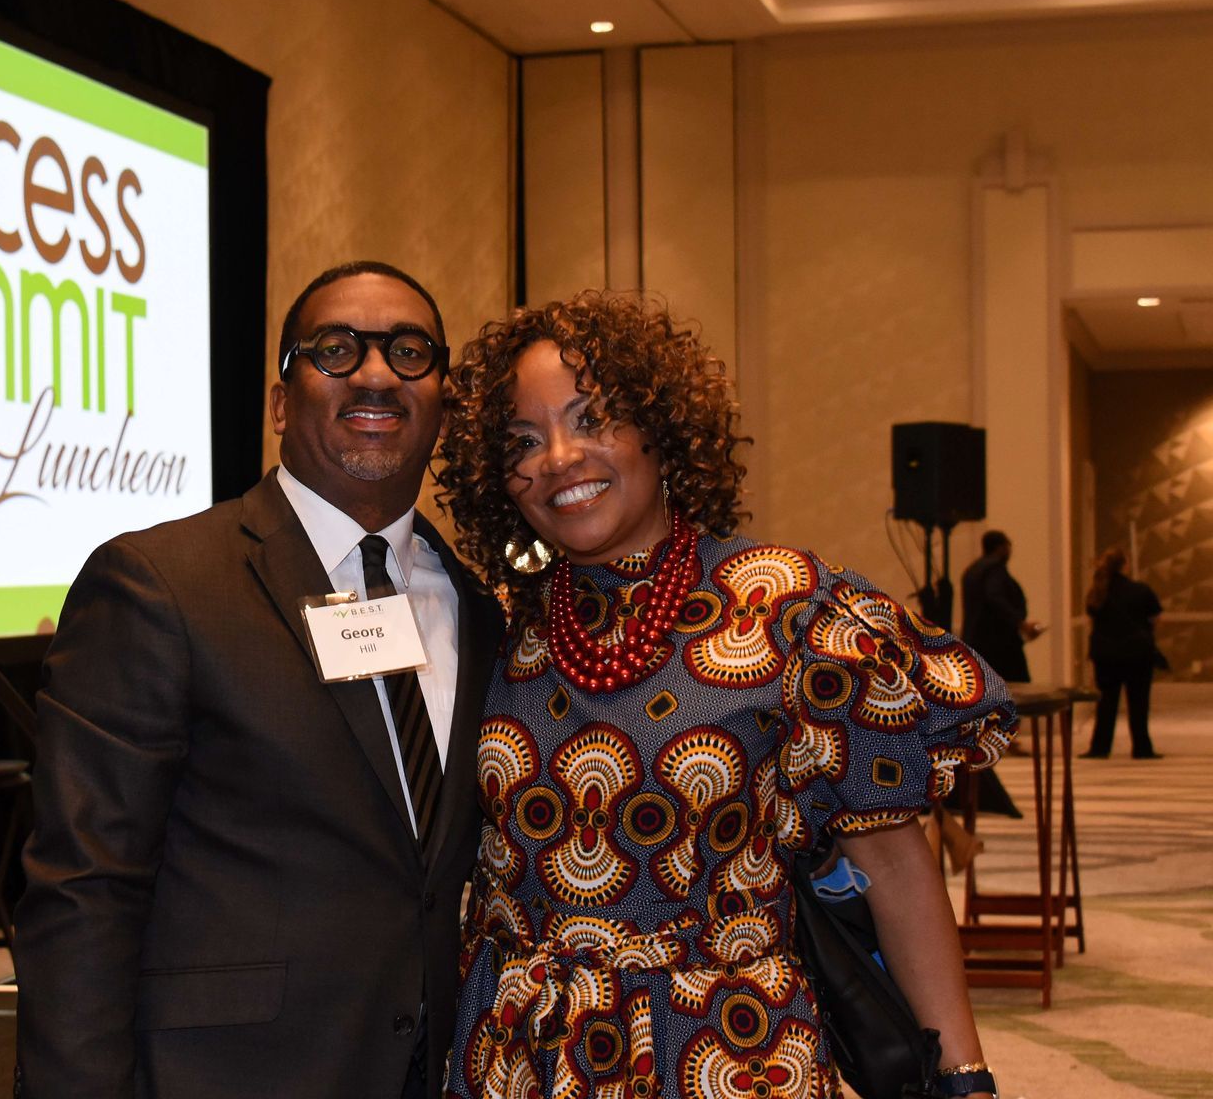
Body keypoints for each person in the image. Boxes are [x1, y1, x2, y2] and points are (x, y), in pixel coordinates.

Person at [434, 293, 1016, 1099]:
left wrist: (962, 1075)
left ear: (660, 432)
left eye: (591, 418)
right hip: (525, 1056)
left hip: (724, 1049)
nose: (559, 458)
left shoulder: (789, 609)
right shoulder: (504, 630)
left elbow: (891, 862)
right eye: (523, 441)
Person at [14, 261, 504, 1099]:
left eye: (410, 352)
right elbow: (84, 889)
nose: (377, 373)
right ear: (281, 402)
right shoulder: (160, 584)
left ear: (445, 407)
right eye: (337, 349)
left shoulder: (478, 611)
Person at [1081, 547, 1164, 759]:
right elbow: (1155, 618)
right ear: (1125, 566)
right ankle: (1142, 747)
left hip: (1106, 655)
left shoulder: (1097, 592)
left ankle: (1100, 747)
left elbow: (1093, 618)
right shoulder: (1141, 590)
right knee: (1138, 702)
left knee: (1106, 703)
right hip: (1137, 654)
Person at [959, 531, 1044, 682]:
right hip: (1000, 646)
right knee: (1016, 687)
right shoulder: (994, 570)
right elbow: (995, 597)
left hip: (975, 642)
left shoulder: (971, 571)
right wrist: (1020, 623)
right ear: (1001, 547)